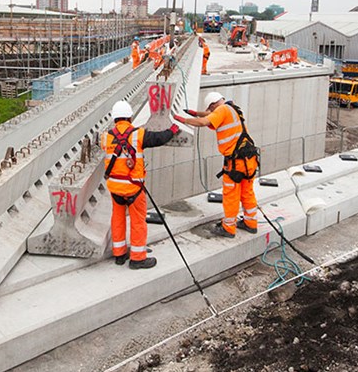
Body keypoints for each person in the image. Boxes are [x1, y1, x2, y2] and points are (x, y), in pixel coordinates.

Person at [103, 100, 180, 269]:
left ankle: (119, 254)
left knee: (117, 218)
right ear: (130, 117)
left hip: (115, 187)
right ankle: (137, 258)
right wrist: (172, 130)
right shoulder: (138, 134)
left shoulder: (106, 136)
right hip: (133, 187)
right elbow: (159, 138)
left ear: (114, 118)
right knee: (138, 221)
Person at [173, 91, 261, 237]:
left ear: (213, 105)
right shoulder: (232, 108)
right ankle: (250, 223)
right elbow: (208, 116)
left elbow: (205, 122)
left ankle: (228, 228)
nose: (210, 112)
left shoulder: (222, 110)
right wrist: (195, 113)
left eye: (210, 109)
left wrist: (184, 120)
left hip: (236, 163)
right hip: (249, 159)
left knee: (230, 195)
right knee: (247, 192)